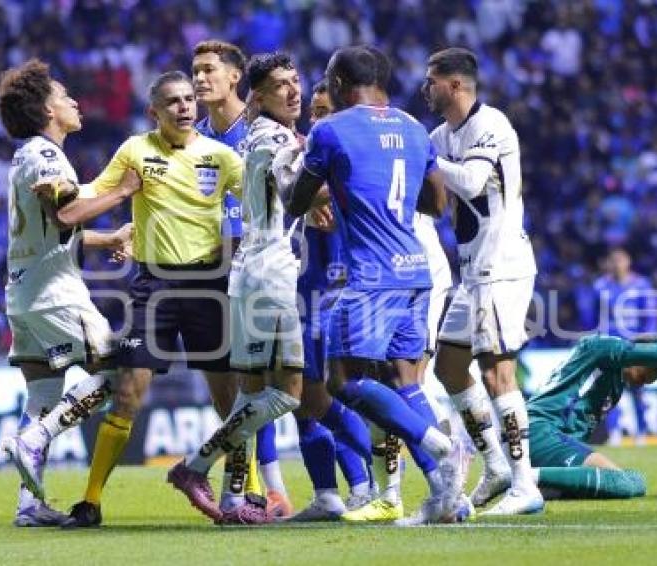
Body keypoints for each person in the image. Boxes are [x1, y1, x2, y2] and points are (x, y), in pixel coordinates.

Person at [285, 45, 469, 525]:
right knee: (404, 382)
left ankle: (442, 446)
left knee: (343, 381)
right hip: (416, 270)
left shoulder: (330, 130)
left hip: (372, 275)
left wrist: (300, 174)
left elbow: (295, 201)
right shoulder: (413, 127)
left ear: (338, 84)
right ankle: (446, 497)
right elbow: (437, 203)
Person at [62, 70, 244, 527]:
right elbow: (94, 192)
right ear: (154, 112)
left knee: (231, 400)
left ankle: (249, 494)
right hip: (153, 286)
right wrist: (62, 196)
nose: (184, 107)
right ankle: (90, 502)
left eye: (189, 100)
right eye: (173, 102)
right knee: (127, 393)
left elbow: (261, 200)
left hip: (208, 285)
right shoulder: (135, 150)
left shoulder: (221, 156)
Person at [0, 59, 135, 526]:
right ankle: (33, 441)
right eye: (63, 96)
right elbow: (67, 216)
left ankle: (28, 505)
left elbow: (50, 233)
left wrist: (109, 239)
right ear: (46, 110)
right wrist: (123, 191)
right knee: (117, 372)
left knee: (41, 397)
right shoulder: (48, 155)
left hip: (23, 293)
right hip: (55, 293)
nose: (74, 101)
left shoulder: (25, 156)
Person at [167, 52, 306, 524]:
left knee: (248, 394)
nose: (294, 91)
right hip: (266, 272)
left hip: (246, 270)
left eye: (296, 81)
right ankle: (195, 465)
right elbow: (296, 192)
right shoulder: (273, 137)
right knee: (287, 393)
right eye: (282, 85)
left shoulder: (256, 135)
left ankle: (234, 499)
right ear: (259, 96)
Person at [423, 47, 544, 515]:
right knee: (450, 367)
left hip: (501, 265)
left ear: (455, 85)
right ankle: (495, 465)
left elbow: (473, 182)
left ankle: (524, 483)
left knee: (496, 371)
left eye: (432, 80)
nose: (426, 88)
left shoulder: (492, 125)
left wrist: (426, 161)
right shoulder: (438, 135)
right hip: (472, 271)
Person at [192, 39, 290, 520]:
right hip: (207, 271)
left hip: (257, 265)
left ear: (235, 77)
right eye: (195, 71)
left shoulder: (260, 130)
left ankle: (272, 487)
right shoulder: (191, 138)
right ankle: (247, 484)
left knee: (267, 383)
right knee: (224, 391)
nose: (200, 79)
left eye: (209, 69)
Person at [526, 279, 657, 498]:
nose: (648, 381)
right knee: (626, 483)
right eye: (651, 372)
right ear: (640, 353)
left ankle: (529, 484)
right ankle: (524, 478)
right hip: (540, 431)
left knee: (631, 482)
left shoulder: (615, 384)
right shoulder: (603, 348)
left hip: (553, 440)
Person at [289, 80, 374, 521]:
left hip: (335, 296)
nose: (317, 120)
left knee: (330, 398)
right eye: (314, 113)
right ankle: (327, 493)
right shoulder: (302, 163)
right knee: (301, 402)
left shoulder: (347, 169)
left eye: (325, 112)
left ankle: (372, 482)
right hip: (299, 296)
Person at [593, 246, 657, 445]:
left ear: (628, 262)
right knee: (610, 391)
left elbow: (650, 317)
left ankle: (642, 432)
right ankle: (614, 433)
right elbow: (595, 318)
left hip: (634, 347)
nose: (616, 265)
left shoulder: (641, 285)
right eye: (613, 260)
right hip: (612, 347)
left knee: (638, 390)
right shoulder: (600, 287)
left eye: (620, 260)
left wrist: (647, 342)